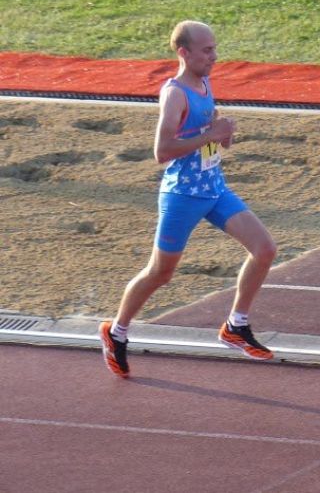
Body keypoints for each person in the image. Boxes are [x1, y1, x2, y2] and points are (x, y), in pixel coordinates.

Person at [99, 21, 278, 378]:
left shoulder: (205, 83)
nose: (214, 56)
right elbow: (162, 151)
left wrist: (221, 133)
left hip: (214, 189)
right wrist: (210, 134)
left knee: (265, 249)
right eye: (207, 50)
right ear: (184, 52)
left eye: (214, 48)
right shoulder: (174, 93)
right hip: (182, 195)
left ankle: (236, 325)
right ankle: (116, 332)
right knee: (160, 272)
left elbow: (205, 132)